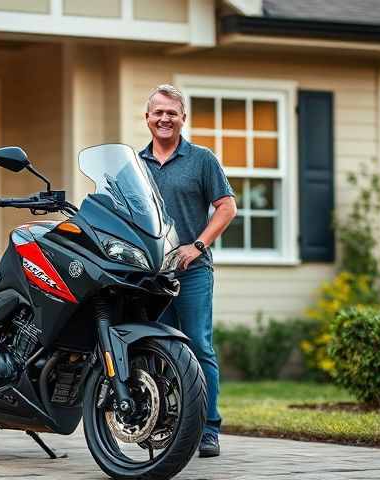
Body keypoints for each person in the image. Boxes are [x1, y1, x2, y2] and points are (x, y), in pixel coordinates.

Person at [139, 84, 237, 458]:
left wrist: (197, 246)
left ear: (183, 119)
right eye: (158, 112)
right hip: (148, 276)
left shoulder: (202, 159)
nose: (164, 119)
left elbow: (227, 207)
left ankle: (209, 429)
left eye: (171, 113)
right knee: (152, 348)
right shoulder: (136, 164)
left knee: (198, 345)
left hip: (192, 271)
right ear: (147, 118)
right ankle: (163, 423)